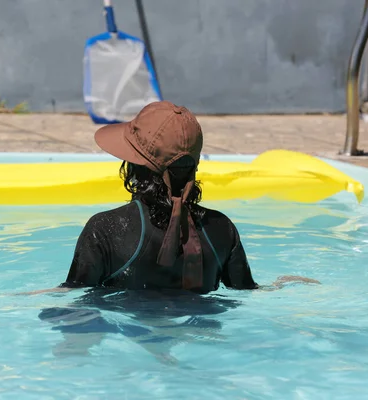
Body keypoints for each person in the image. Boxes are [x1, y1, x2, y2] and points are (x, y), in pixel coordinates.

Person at [57, 100, 318, 293]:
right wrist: (282, 285)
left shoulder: (106, 229)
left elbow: (73, 296)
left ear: (134, 164)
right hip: (203, 344)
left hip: (131, 347)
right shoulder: (221, 230)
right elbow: (248, 292)